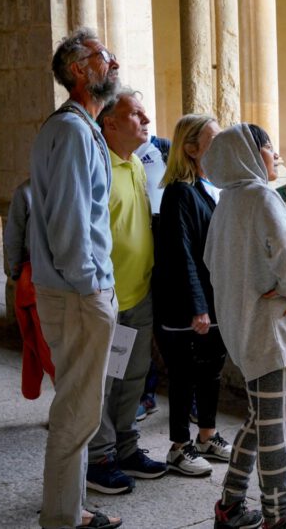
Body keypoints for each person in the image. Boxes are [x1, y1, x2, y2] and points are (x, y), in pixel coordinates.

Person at [29, 28, 122, 529]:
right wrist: (92, 289)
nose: (115, 63)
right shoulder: (69, 130)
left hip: (74, 289)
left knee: (80, 405)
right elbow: (69, 222)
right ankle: (63, 516)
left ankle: (69, 506)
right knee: (78, 410)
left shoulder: (77, 128)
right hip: (76, 292)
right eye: (105, 57)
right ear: (81, 71)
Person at [204, 124, 286, 529]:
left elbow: (212, 261)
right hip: (272, 330)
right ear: (248, 153)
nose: (275, 155)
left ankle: (230, 506)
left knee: (257, 419)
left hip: (241, 327)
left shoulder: (227, 201)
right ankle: (278, 517)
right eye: (268, 148)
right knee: (275, 431)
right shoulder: (262, 197)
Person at [85, 89, 167, 495]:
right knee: (104, 380)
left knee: (132, 376)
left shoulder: (134, 163)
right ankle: (99, 459)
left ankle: (125, 446)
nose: (146, 120)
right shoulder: (96, 165)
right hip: (107, 296)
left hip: (139, 291)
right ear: (110, 123)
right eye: (136, 114)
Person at [152, 114, 233, 477]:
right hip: (186, 304)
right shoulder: (179, 193)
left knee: (211, 370)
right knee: (184, 374)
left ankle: (207, 435)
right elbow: (180, 253)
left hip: (212, 300)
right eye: (213, 141)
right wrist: (197, 307)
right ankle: (178, 447)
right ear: (190, 148)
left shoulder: (208, 188)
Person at [4, 178, 55, 399]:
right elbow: (14, 234)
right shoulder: (26, 190)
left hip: (56, 276)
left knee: (49, 346)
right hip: (35, 276)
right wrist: (15, 270)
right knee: (44, 344)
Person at [135, 133, 171, 419]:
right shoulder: (108, 154)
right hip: (133, 255)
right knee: (136, 330)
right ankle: (144, 395)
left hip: (164, 247)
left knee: (169, 327)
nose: (144, 119)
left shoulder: (163, 148)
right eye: (136, 113)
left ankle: (190, 398)